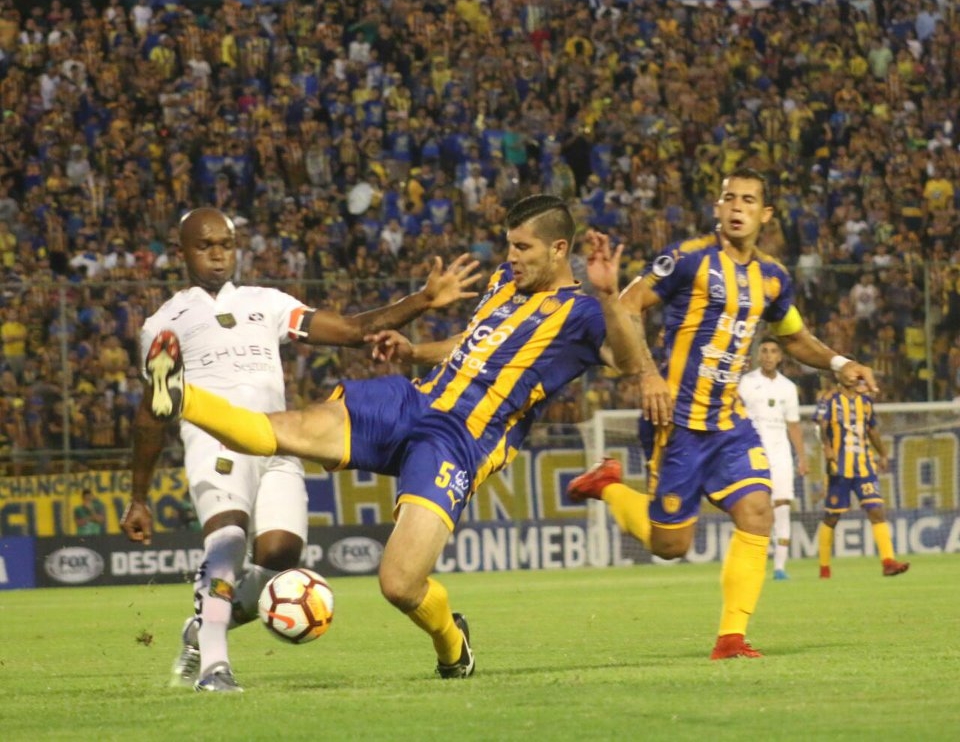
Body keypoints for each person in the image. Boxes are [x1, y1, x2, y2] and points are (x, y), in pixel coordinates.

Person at [143, 195, 648, 680]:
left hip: (458, 442)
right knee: (278, 430)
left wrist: (608, 297)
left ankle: (453, 644)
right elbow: (473, 344)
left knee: (400, 585)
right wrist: (415, 353)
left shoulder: (584, 313)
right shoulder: (504, 282)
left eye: (522, 248)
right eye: (509, 245)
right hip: (413, 402)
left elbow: (626, 362)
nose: (511, 257)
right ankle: (181, 395)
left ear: (558, 250)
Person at [120, 207, 480, 693]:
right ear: (181, 251)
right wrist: (138, 497)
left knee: (281, 555)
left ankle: (202, 629)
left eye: (225, 244)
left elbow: (352, 331)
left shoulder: (265, 302)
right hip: (215, 440)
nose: (218, 255)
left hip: (277, 439)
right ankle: (213, 669)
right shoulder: (165, 323)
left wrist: (423, 300)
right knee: (227, 541)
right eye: (205, 246)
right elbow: (150, 414)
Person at [567, 167, 880, 659]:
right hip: (675, 420)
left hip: (729, 422)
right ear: (717, 207)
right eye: (729, 198)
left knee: (757, 511)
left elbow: (794, 337)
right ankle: (607, 484)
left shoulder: (773, 278)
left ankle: (731, 638)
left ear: (766, 214)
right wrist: (648, 375)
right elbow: (627, 305)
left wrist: (841, 363)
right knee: (671, 547)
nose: (737, 207)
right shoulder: (687, 258)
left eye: (748, 200)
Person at [815, 379, 910, 579]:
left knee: (876, 510)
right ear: (841, 376)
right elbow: (821, 427)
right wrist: (827, 447)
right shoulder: (830, 400)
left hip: (864, 467)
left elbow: (872, 430)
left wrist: (883, 454)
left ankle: (888, 562)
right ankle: (824, 568)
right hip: (839, 468)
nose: (856, 379)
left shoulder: (866, 402)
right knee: (832, 517)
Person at [738, 336, 807, 580]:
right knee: (753, 509)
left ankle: (779, 568)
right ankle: (752, 564)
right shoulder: (746, 383)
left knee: (782, 508)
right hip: (753, 454)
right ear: (758, 355)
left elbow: (793, 425)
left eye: (773, 351)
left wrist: (802, 457)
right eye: (764, 351)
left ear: (780, 357)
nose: (768, 355)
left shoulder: (788, 388)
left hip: (780, 455)